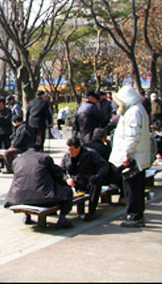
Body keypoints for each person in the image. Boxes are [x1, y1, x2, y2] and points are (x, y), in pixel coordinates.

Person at [109, 85, 152, 227]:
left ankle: (134, 216)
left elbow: (133, 136)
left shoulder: (133, 112)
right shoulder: (137, 109)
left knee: (132, 188)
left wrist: (126, 154)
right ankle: (136, 214)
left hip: (133, 158)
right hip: (136, 156)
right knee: (135, 187)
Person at [4, 148, 75, 229]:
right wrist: (66, 180)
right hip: (43, 199)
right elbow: (57, 174)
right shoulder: (44, 158)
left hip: (17, 199)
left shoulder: (17, 160)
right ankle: (62, 220)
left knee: (27, 187)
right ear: (40, 151)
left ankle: (27, 217)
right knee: (67, 191)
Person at [60, 137, 109, 221]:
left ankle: (91, 211)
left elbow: (104, 166)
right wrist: (67, 179)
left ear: (78, 148)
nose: (70, 152)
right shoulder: (67, 155)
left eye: (72, 150)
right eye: (69, 150)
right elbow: (60, 171)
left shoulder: (90, 153)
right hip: (75, 181)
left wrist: (97, 176)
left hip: (88, 181)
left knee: (96, 182)